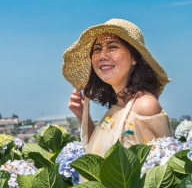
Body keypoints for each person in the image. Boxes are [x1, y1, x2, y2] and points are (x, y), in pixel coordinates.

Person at [62, 18, 173, 157]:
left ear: (134, 58)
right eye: (97, 49)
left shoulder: (145, 106)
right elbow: (99, 157)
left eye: (112, 47)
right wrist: (82, 116)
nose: (102, 55)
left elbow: (161, 170)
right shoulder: (117, 108)